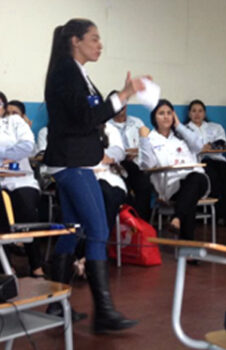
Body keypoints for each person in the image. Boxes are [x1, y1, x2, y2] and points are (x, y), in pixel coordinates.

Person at [44, 18, 146, 332]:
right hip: (73, 164)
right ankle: (104, 314)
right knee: (99, 230)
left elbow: (91, 113)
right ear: (75, 40)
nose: (99, 45)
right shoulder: (66, 72)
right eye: (94, 38)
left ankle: (54, 305)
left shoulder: (78, 74)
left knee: (72, 232)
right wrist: (123, 95)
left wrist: (119, 96)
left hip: (74, 162)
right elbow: (89, 117)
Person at [139, 99, 209, 241]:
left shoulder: (182, 135)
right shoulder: (150, 139)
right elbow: (148, 165)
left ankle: (177, 218)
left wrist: (178, 125)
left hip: (197, 181)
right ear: (154, 118)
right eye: (161, 113)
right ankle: (186, 245)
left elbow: (198, 146)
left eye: (169, 113)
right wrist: (143, 140)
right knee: (189, 198)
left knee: (195, 178)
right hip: (172, 187)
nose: (166, 117)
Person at [0, 91, 45, 277]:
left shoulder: (15, 124)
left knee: (26, 211)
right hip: (1, 182)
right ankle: (6, 267)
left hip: (22, 179)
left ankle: (36, 265)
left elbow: (27, 146)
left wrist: (5, 156)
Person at [186, 99, 226, 225]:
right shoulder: (185, 129)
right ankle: (214, 214)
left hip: (217, 159)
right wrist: (200, 149)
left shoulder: (215, 127)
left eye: (200, 111)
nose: (197, 114)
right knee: (212, 176)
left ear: (204, 113)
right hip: (199, 162)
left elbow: (222, 143)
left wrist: (212, 146)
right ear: (189, 114)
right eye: (194, 111)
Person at [107, 97, 153, 221]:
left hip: (136, 163)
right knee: (122, 188)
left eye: (122, 105)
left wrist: (137, 151)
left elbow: (147, 144)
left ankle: (142, 223)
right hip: (116, 165)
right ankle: (129, 221)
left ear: (126, 106)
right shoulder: (106, 125)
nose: (120, 109)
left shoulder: (137, 122)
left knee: (145, 185)